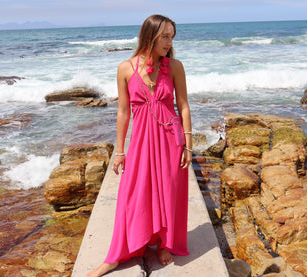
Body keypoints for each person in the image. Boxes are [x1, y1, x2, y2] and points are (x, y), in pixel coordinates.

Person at [87, 14, 192, 277]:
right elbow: (123, 112)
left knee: (167, 192)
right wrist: (119, 151)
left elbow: (184, 106)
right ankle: (115, 256)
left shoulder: (175, 67)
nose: (169, 42)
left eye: (172, 37)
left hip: (171, 137)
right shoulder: (125, 68)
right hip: (142, 140)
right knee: (132, 195)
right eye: (165, 36)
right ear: (150, 35)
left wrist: (188, 145)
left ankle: (163, 243)